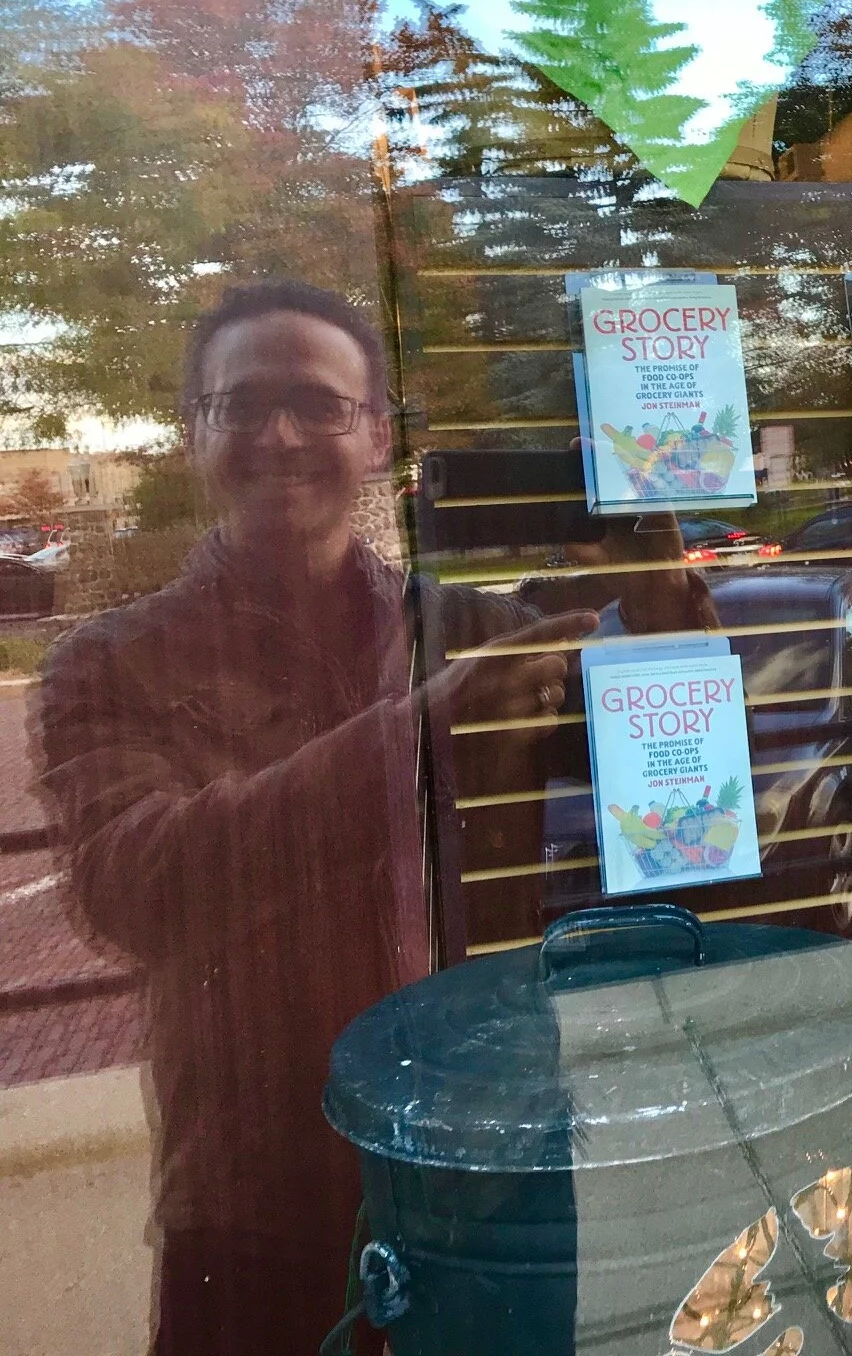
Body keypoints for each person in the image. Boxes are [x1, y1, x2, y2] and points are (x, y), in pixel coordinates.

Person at [34, 281, 711, 1355]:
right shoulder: (109, 664)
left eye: (319, 404)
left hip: (485, 1171)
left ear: (377, 435)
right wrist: (420, 732)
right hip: (253, 1198)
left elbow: (687, 804)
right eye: (241, 407)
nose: (283, 436)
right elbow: (134, 890)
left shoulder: (479, 634)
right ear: (191, 432)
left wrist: (667, 600)